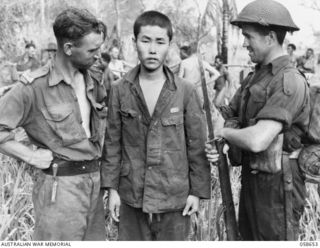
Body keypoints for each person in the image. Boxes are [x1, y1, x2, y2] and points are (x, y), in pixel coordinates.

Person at [101, 10, 210, 241]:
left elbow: (196, 146)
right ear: (134, 42)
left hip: (175, 198)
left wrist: (197, 193)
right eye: (145, 41)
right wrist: (112, 190)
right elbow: (112, 144)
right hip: (131, 196)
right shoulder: (120, 89)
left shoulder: (185, 91)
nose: (152, 49)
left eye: (160, 42)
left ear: (169, 44)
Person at [0, 8, 107, 240]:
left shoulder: (94, 80)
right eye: (92, 50)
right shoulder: (33, 87)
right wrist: (31, 156)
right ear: (68, 48)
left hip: (94, 186)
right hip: (59, 190)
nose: (98, 55)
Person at [206, 0, 309, 240]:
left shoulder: (288, 80)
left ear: (270, 37)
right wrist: (221, 143)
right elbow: (230, 113)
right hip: (254, 181)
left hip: (280, 187)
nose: (244, 43)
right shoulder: (255, 77)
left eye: (249, 37)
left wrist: (225, 134)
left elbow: (257, 140)